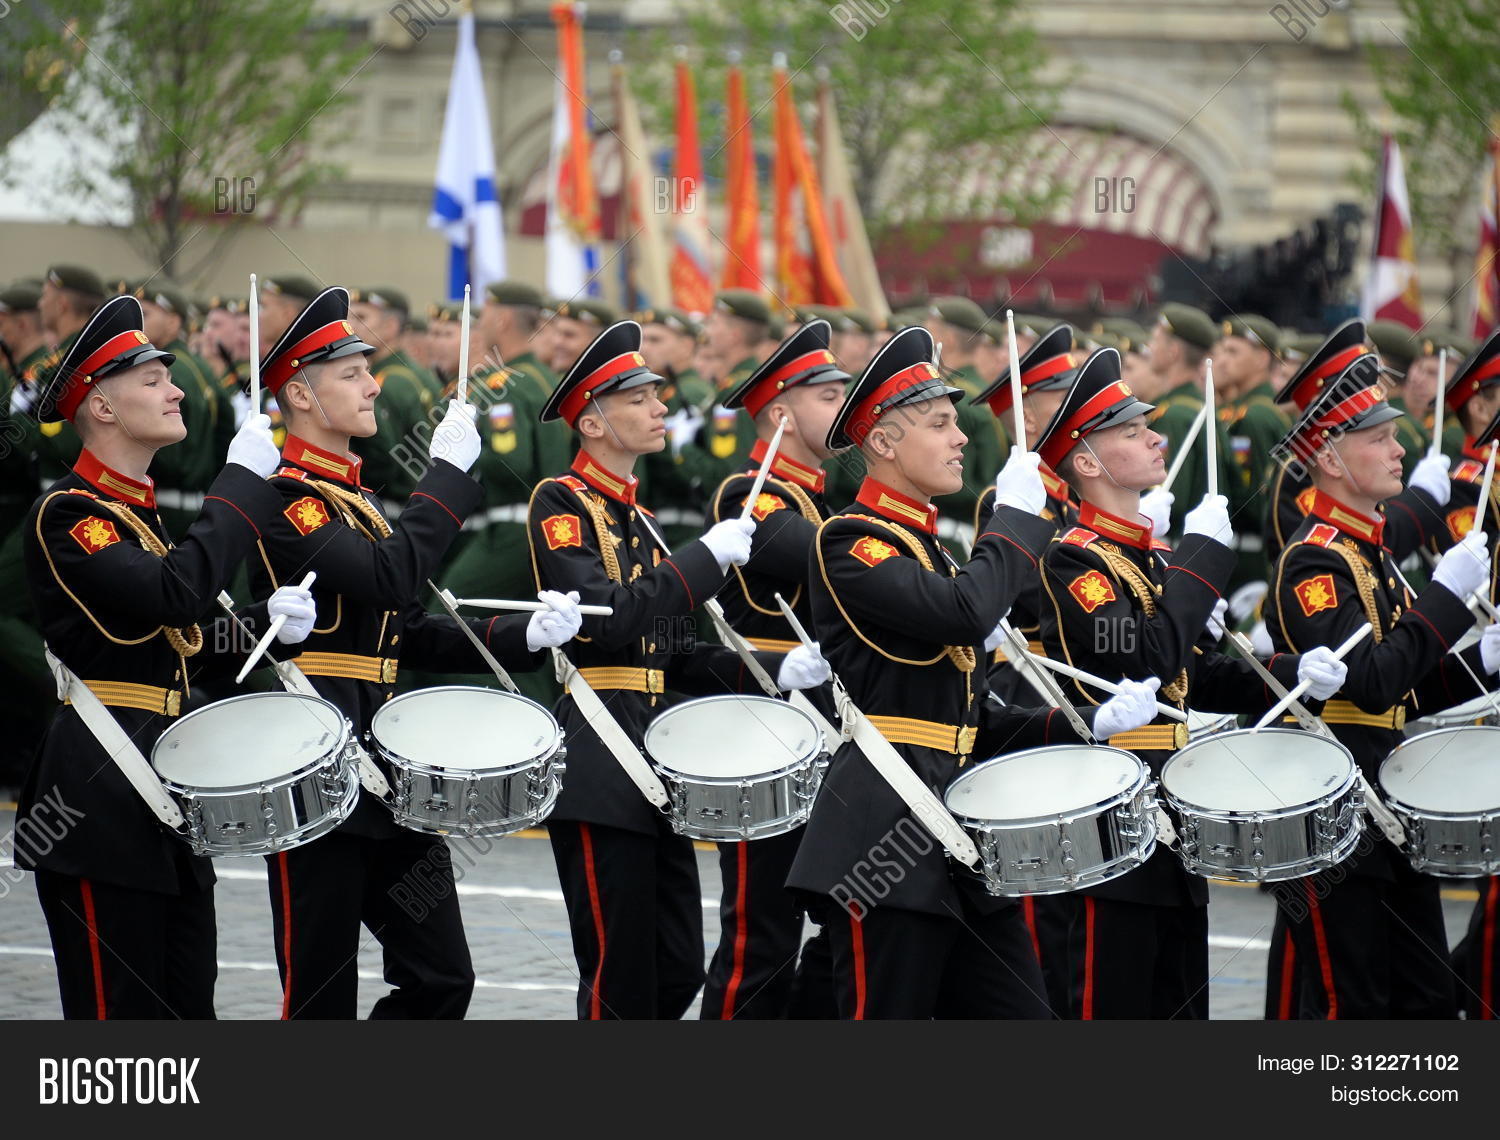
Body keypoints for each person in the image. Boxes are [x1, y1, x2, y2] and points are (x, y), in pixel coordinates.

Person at [785, 327, 1161, 1019]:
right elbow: (967, 612)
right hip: (885, 839)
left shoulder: (930, 546)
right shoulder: (851, 540)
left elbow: (972, 715)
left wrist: (1079, 723)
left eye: (956, 420)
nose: (961, 437)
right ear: (884, 444)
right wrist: (1014, 519)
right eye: (938, 423)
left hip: (958, 841)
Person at [250, 286, 583, 1019]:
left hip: (389, 762)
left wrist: (518, 633)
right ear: (299, 395)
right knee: (320, 989)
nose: (374, 384)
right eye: (350, 375)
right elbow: (389, 576)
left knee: (441, 977)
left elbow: (403, 626)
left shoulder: (359, 501)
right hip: (315, 751)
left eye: (369, 369)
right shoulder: (287, 498)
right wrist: (446, 479)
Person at [16, 293, 313, 1017]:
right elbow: (175, 595)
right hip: (100, 803)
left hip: (168, 796)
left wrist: (263, 624)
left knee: (187, 1017)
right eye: (151, 380)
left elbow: (180, 645)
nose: (176, 389)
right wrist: (240, 483)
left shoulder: (136, 515)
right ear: (104, 408)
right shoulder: (72, 514)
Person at [527, 318, 828, 1020]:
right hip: (603, 759)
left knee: (676, 966)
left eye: (658, 394)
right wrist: (705, 559)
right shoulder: (561, 502)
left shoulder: (638, 519)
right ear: (594, 420)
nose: (662, 407)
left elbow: (675, 653)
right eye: (640, 398)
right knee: (618, 976)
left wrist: (778, 669)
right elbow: (613, 618)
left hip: (656, 757)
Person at [1035, 346, 1345, 1019]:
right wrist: (1199, 561)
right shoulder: (1074, 561)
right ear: (1086, 462)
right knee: (1112, 1008)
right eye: (1130, 431)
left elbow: (1192, 675)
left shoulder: (1142, 560)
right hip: (1109, 816)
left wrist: (1293, 676)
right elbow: (1142, 655)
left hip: (1173, 805)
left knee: (1179, 1008)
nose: (1155, 436)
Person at [1264, 352, 1499, 1018]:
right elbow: (1372, 684)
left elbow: (1411, 691)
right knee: (1355, 1008)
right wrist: (1446, 598)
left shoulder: (1374, 555)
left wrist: (1482, 658)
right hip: (1339, 811)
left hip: (1391, 805)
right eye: (1381, 437)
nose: (1401, 449)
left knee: (1425, 1001)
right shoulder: (1315, 559)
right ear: (1333, 458)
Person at [697, 318, 850, 1020]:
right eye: (828, 396)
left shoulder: (818, 496)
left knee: (843, 916)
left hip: (822, 735)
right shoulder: (750, 494)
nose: (842, 408)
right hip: (762, 734)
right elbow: (827, 559)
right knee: (760, 932)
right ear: (783, 411)